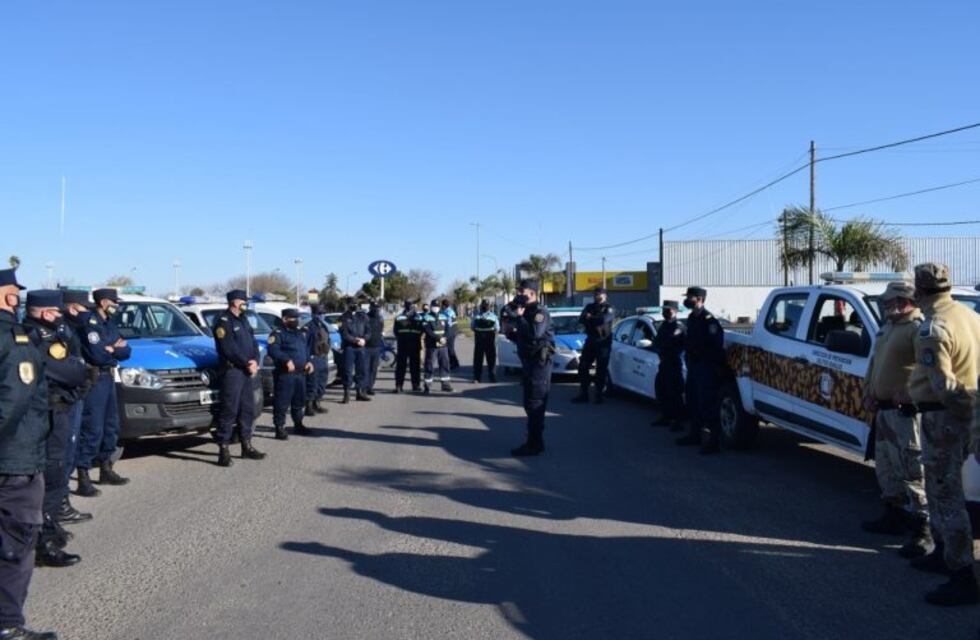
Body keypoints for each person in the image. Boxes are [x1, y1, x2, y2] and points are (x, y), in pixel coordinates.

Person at [904, 263, 980, 606]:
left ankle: (962, 573)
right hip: (961, 415)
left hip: (945, 417)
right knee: (939, 488)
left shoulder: (932, 329)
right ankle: (943, 552)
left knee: (947, 494)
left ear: (920, 292)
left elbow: (945, 387)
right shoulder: (969, 316)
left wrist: (963, 414)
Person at [0, 269, 60, 639]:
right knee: (17, 542)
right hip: (13, 459)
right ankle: (7, 624)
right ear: (10, 298)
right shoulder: (13, 338)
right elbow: (13, 402)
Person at [861, 282, 931, 557]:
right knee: (887, 468)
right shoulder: (887, 329)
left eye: (892, 302)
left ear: (906, 301)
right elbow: (874, 364)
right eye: (886, 302)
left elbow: (929, 369)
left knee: (912, 471)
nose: (887, 306)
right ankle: (894, 514)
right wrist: (868, 391)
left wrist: (912, 393)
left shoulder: (918, 329)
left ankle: (923, 531)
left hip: (905, 415)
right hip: (884, 411)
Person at [23, 291, 87, 568]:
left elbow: (75, 361)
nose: (61, 316)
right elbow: (69, 370)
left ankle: (47, 529)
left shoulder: (53, 331)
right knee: (52, 472)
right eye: (57, 312)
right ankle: (41, 542)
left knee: (57, 470)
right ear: (48, 312)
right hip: (49, 410)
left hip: (59, 408)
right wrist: (78, 369)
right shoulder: (37, 336)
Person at [76, 288, 131, 496]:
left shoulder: (109, 323)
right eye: (115, 302)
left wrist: (114, 350)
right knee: (93, 427)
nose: (118, 305)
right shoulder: (90, 324)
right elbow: (98, 355)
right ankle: (83, 476)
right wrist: (112, 350)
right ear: (104, 302)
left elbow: (127, 350)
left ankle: (106, 468)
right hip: (96, 379)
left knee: (111, 425)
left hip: (109, 377)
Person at [55, 290, 95, 526]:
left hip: (75, 394)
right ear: (71, 308)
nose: (86, 313)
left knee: (69, 450)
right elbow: (63, 367)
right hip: (64, 398)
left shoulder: (70, 329)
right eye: (83, 308)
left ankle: (61, 503)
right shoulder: (61, 331)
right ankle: (59, 507)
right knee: (63, 454)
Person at [213, 290, 265, 467]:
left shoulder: (243, 320)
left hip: (246, 371)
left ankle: (246, 445)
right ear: (235, 302)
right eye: (244, 301)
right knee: (230, 410)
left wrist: (255, 361)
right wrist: (246, 362)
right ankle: (223, 450)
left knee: (247, 409)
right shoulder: (223, 321)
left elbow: (254, 343)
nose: (246, 303)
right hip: (233, 372)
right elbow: (228, 349)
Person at [506, 280, 555, 456]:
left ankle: (534, 444)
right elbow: (525, 336)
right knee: (529, 403)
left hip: (539, 364)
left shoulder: (540, 312)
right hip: (528, 363)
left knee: (535, 403)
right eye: (518, 291)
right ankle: (535, 441)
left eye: (522, 291)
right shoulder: (525, 311)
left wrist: (519, 318)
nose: (519, 294)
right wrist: (511, 333)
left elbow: (535, 333)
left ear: (532, 293)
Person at [675, 286, 725, 454]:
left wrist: (708, 362)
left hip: (705, 366)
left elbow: (716, 345)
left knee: (707, 404)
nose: (687, 300)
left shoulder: (709, 320)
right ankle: (695, 434)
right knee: (693, 400)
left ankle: (713, 442)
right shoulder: (692, 318)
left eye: (690, 297)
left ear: (700, 299)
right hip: (693, 366)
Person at [268, 308, 314, 440]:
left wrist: (309, 361)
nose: (296, 321)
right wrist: (286, 360)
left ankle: (298, 424)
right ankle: (279, 428)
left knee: (299, 401)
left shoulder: (299, 333)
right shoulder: (277, 333)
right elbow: (273, 350)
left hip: (300, 373)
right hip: (285, 374)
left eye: (297, 318)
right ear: (284, 319)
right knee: (282, 402)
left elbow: (305, 349)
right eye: (293, 318)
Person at [572, 287, 614, 404]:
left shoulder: (608, 308)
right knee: (583, 366)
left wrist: (590, 318)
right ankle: (583, 393)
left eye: (599, 294)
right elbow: (581, 319)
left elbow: (604, 320)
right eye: (595, 294)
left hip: (603, 341)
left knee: (601, 369)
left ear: (605, 295)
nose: (597, 295)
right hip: (591, 340)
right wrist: (592, 318)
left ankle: (598, 394)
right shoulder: (589, 307)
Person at [652, 300, 686, 430]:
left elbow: (672, 340)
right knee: (662, 390)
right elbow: (657, 342)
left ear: (675, 311)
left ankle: (678, 421)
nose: (666, 312)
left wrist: (664, 346)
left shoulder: (679, 326)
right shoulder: (664, 325)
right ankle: (665, 417)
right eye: (664, 310)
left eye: (669, 310)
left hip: (674, 362)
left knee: (675, 392)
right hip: (664, 361)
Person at [340, 302, 372, 403]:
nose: (354, 305)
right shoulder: (344, 317)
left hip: (361, 347)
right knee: (347, 371)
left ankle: (360, 392)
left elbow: (368, 331)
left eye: (355, 303)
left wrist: (364, 340)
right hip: (349, 347)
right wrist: (355, 340)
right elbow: (344, 334)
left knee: (361, 370)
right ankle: (347, 393)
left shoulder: (362, 316)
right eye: (352, 303)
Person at [304, 304, 331, 416]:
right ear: (314, 314)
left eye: (323, 313)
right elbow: (305, 345)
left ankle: (317, 403)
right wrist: (308, 360)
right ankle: (308, 407)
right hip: (313, 358)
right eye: (320, 313)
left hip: (322, 357)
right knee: (312, 384)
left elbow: (327, 341)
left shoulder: (323, 326)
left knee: (322, 383)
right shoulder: (309, 327)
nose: (322, 315)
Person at [422, 299, 453, 394]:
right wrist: (438, 338)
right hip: (432, 345)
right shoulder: (426, 317)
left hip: (443, 345)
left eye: (437, 306)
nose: (436, 308)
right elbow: (428, 331)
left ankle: (445, 384)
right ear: (431, 307)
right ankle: (427, 385)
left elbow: (448, 329)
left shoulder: (444, 316)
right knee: (430, 365)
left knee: (445, 364)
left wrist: (445, 338)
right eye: (434, 306)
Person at [392, 300, 424, 393]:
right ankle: (399, 385)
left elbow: (421, 330)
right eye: (408, 306)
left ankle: (416, 385)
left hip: (415, 344)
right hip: (403, 344)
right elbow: (395, 331)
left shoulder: (418, 318)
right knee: (401, 366)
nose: (410, 307)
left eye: (411, 306)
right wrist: (402, 338)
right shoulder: (399, 318)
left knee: (415, 366)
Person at [471, 299, 499, 383]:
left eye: (486, 305)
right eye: (484, 305)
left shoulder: (493, 316)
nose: (485, 307)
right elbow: (472, 327)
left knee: (491, 360)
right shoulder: (476, 316)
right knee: (478, 360)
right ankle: (477, 377)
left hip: (489, 340)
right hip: (479, 341)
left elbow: (497, 328)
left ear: (489, 307)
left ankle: (492, 376)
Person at [364, 300, 384, 395]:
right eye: (374, 308)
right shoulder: (365, 318)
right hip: (366, 347)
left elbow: (380, 330)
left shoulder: (380, 319)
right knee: (365, 368)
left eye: (377, 308)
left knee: (373, 369)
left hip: (376, 347)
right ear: (370, 308)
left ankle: (370, 387)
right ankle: (363, 387)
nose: (376, 310)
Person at [443, 299, 460, 370]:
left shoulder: (447, 312)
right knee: (450, 348)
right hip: (453, 330)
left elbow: (449, 323)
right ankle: (455, 362)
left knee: (449, 348)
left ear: (444, 305)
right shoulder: (450, 310)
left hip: (450, 331)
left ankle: (454, 363)